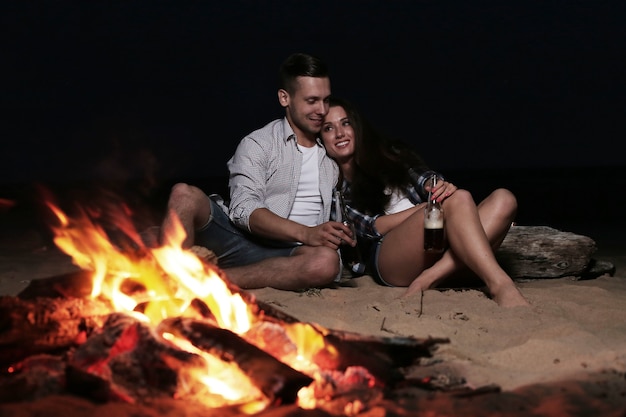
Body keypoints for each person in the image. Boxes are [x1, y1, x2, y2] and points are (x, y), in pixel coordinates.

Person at [157, 53, 356, 290]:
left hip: (293, 254)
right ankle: (167, 282)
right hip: (240, 240)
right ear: (285, 98)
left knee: (325, 263)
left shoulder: (330, 156)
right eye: (312, 101)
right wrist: (306, 232)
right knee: (183, 194)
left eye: (325, 100)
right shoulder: (259, 143)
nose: (322, 110)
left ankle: (209, 280)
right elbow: (243, 209)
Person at [320, 97, 529, 307]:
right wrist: (426, 208)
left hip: (433, 236)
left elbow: (424, 177)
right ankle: (501, 285)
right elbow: (372, 227)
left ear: (356, 127)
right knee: (457, 200)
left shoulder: (388, 155)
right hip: (390, 254)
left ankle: (431, 277)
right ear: (321, 138)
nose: (339, 133)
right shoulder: (331, 185)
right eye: (329, 128)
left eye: (345, 123)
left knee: (504, 199)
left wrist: (437, 185)